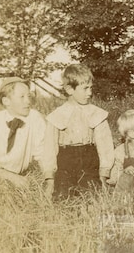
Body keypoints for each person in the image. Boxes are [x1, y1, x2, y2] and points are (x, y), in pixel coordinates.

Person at [43, 64, 114, 198]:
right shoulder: (57, 115)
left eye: (91, 88)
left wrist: (103, 175)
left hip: (89, 160)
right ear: (70, 89)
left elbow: (105, 145)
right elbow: (49, 149)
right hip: (65, 162)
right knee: (62, 195)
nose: (90, 93)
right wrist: (50, 179)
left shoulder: (96, 114)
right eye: (85, 88)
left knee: (92, 194)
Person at [0, 77, 52, 194]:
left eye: (29, 96)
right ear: (6, 101)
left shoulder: (35, 118)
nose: (28, 101)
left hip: (20, 175)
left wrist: (49, 182)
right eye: (22, 97)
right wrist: (11, 177)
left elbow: (42, 154)